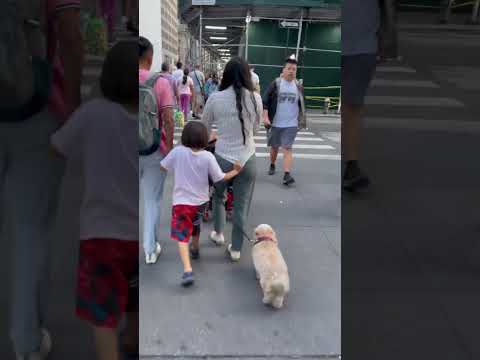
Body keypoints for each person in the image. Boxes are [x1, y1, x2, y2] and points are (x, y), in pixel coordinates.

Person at [0, 1, 83, 359]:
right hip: (34, 111)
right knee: (30, 234)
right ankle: (26, 342)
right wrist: (75, 107)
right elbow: (69, 32)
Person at [51, 40, 138, 360]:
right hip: (137, 235)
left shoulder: (93, 113)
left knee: (103, 314)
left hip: (100, 236)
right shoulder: (144, 121)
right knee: (134, 296)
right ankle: (133, 341)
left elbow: (57, 145)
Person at [160, 121, 242, 286]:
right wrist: (236, 170)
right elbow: (220, 177)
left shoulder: (177, 152)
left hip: (181, 203)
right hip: (201, 202)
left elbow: (163, 166)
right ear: (205, 139)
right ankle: (195, 248)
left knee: (182, 236)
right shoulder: (208, 156)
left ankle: (187, 270)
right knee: (195, 225)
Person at [202, 57, 263, 261]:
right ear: (247, 75)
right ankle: (236, 249)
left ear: (225, 75)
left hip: (221, 158)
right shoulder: (256, 98)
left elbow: (204, 127)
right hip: (247, 158)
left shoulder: (215, 98)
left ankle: (218, 234)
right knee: (241, 205)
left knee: (219, 196)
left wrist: (219, 134)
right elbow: (255, 129)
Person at [138, 36, 175, 264]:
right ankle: (150, 250)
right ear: (150, 58)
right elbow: (169, 119)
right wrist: (169, 150)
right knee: (152, 200)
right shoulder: (160, 82)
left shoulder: (116, 78)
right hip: (154, 150)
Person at [341, 0, 380, 191]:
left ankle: (351, 164)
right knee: (352, 107)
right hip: (361, 46)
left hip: (362, 47)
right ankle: (351, 165)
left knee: (353, 106)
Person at [263, 56, 307, 186]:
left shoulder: (299, 86)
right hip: (275, 123)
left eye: (294, 69)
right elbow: (265, 101)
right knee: (275, 147)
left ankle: (287, 175)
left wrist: (301, 120)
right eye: (289, 68)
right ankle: (272, 164)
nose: (291, 71)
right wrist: (265, 117)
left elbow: (302, 104)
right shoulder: (276, 83)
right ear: (283, 70)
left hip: (291, 124)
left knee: (287, 148)